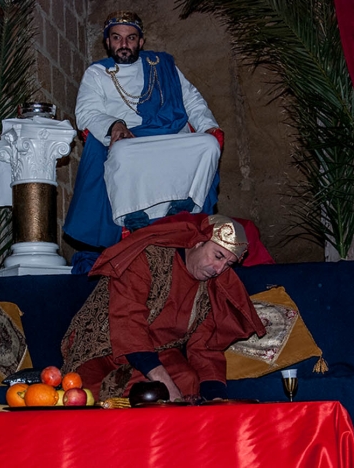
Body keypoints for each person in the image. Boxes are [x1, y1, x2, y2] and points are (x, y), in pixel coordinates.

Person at [61, 213, 266, 402]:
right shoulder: (147, 258)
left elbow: (205, 347)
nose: (219, 269)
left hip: (158, 355)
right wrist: (166, 384)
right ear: (198, 242)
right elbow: (127, 322)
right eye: (218, 256)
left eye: (228, 264)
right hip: (103, 350)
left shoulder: (211, 286)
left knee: (187, 379)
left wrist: (215, 399)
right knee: (92, 395)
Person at [63, 11, 224, 250]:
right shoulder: (97, 73)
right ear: (108, 42)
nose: (124, 44)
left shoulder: (162, 65)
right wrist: (114, 124)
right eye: (117, 38)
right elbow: (87, 113)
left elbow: (191, 100)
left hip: (170, 135)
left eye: (131, 38)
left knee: (209, 145)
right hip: (131, 140)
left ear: (141, 41)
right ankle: (132, 215)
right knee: (121, 153)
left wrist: (209, 126)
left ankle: (186, 202)